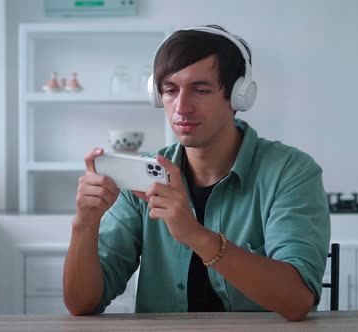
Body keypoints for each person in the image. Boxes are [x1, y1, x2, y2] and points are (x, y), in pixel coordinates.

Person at [63, 25, 331, 322]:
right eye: (170, 90)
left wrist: (193, 234)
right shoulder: (142, 177)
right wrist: (84, 226)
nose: (182, 107)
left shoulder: (291, 173)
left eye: (201, 90)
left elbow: (296, 301)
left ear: (238, 96)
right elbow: (81, 304)